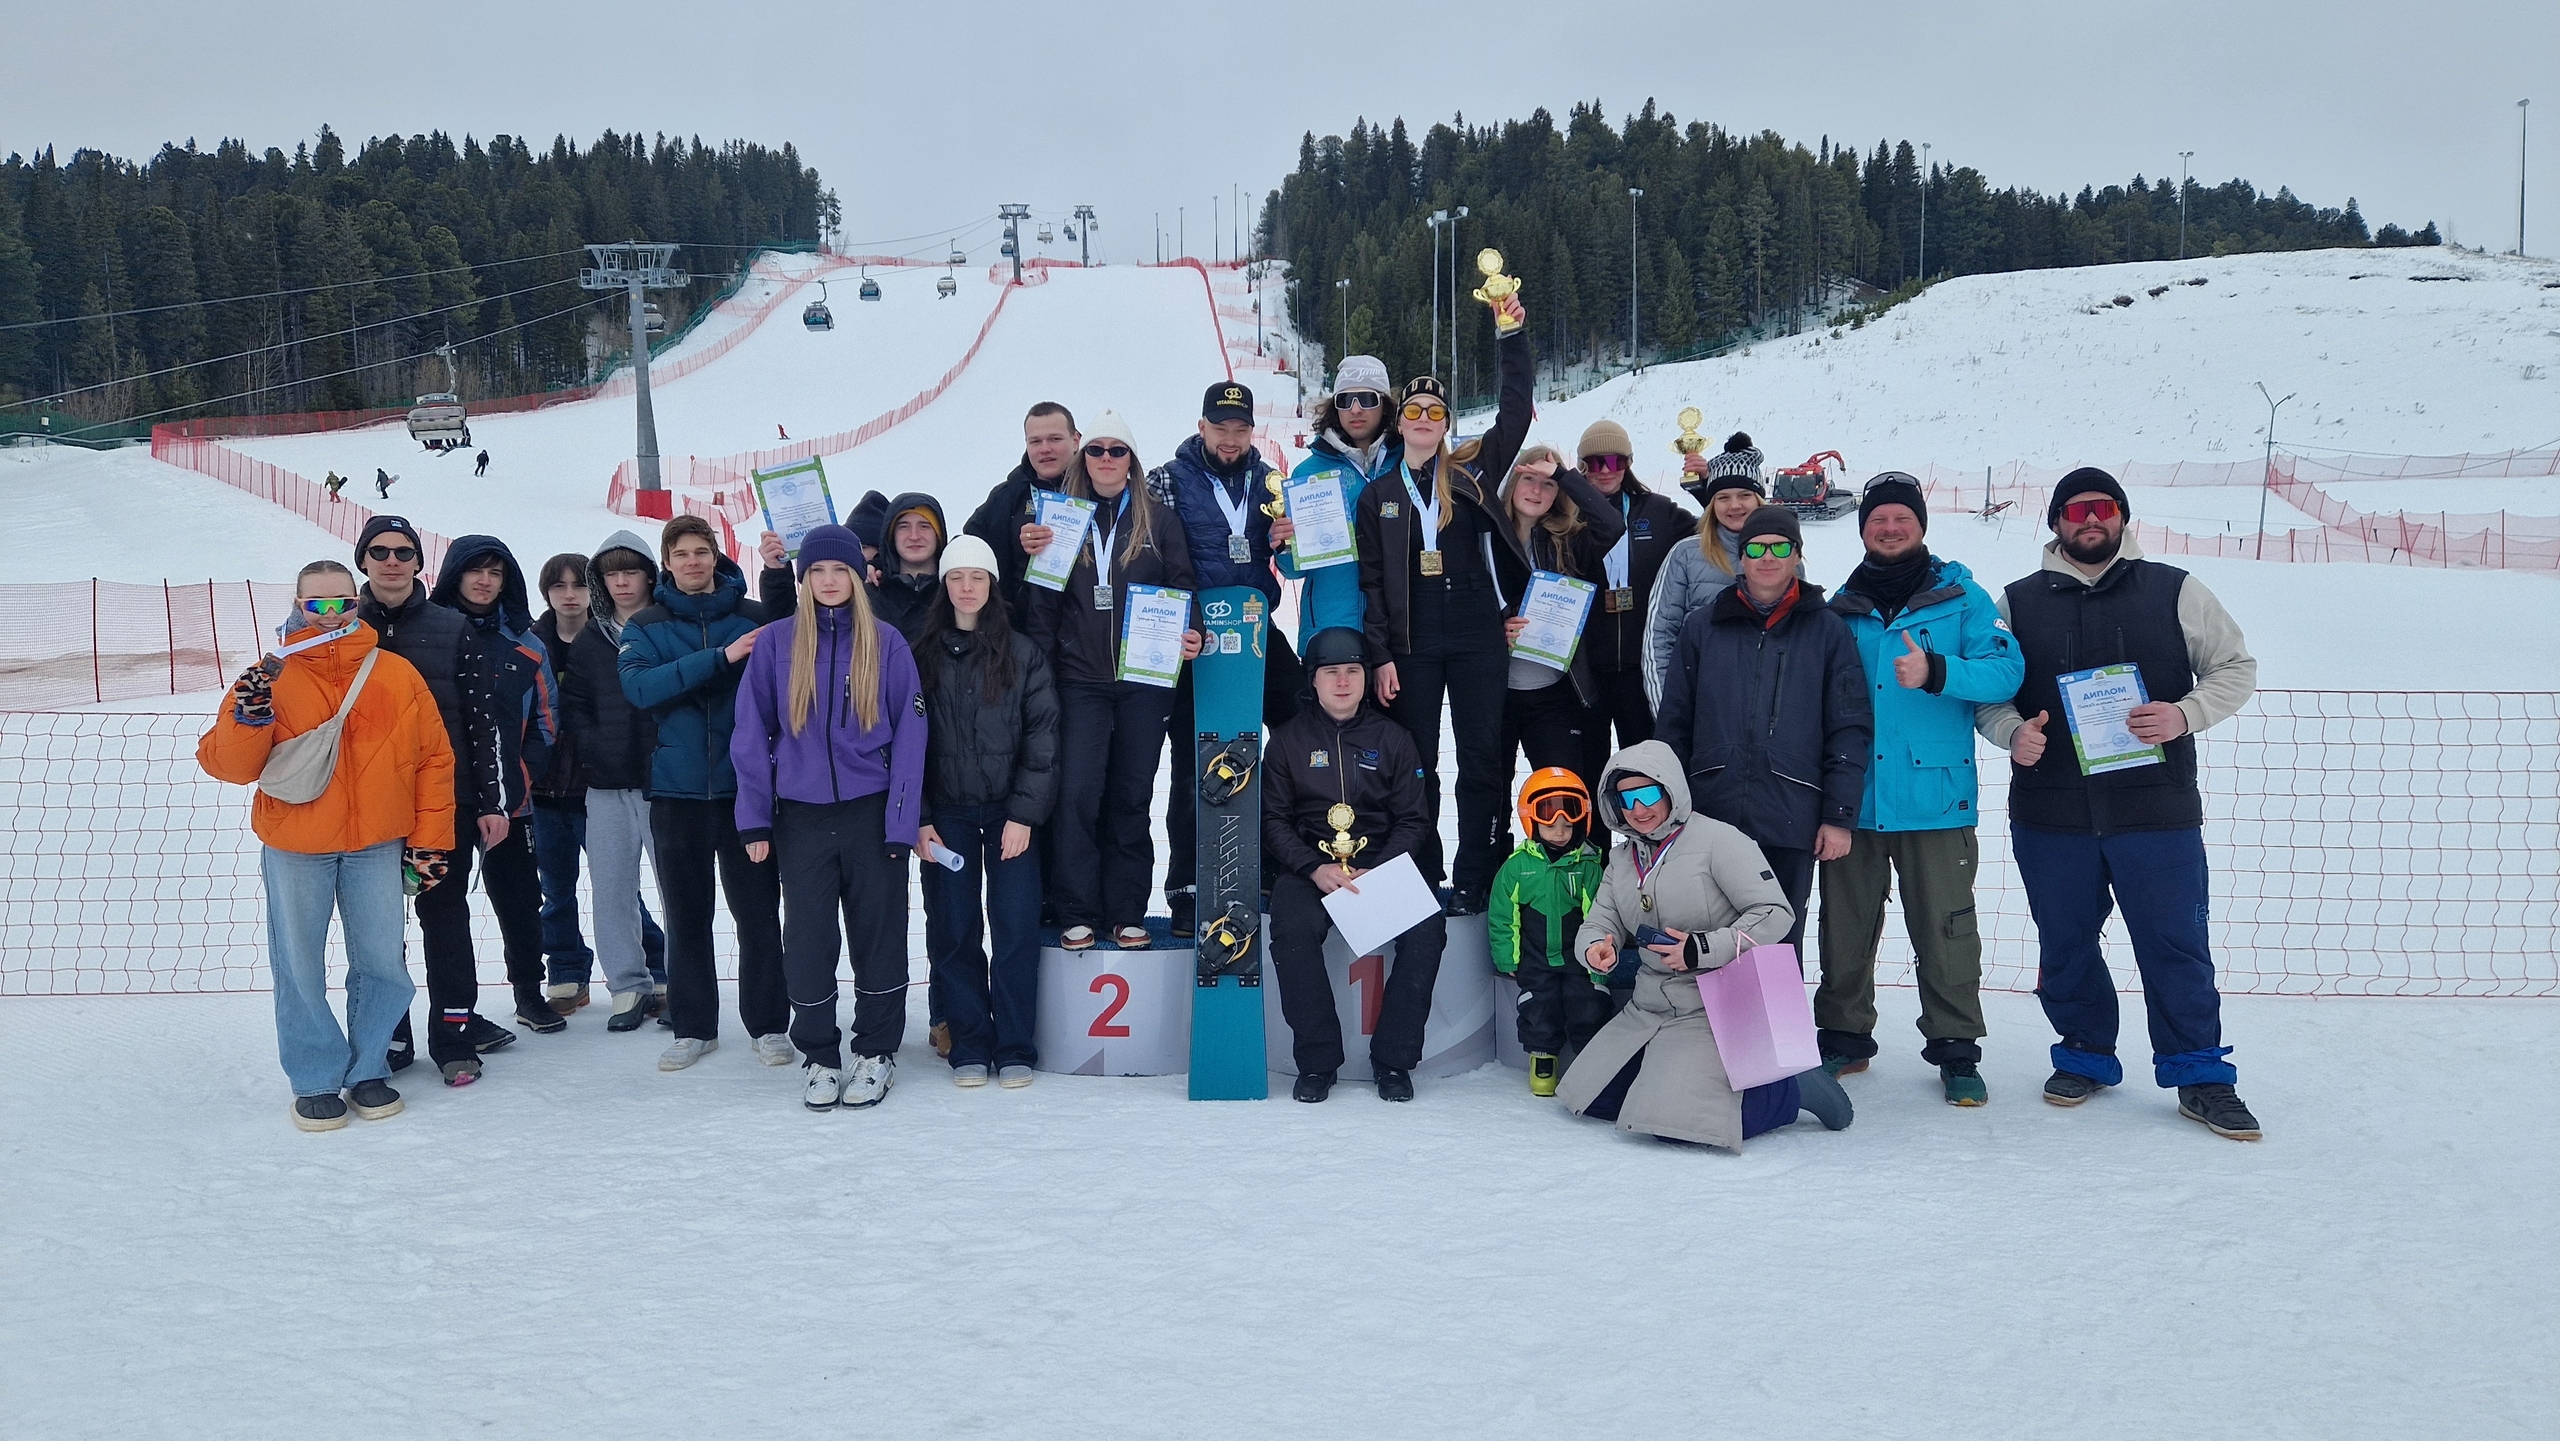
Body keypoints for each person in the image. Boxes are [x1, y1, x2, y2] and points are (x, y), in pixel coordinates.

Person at [1976, 468, 2264, 1139]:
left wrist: (2184, 714)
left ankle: (2199, 1075)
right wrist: (2011, 733)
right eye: (2075, 510)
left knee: (2175, 944)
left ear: (2121, 517)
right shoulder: (2015, 602)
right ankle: (2085, 1053)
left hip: (2154, 811)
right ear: (2055, 522)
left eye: (2103, 508)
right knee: (2067, 943)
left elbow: (2236, 668)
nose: (2090, 520)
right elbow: (1989, 695)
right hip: (2052, 814)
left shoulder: (2174, 589)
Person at [197, 560, 454, 1131]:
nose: (331, 613)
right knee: (299, 962)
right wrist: (250, 715)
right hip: (297, 844)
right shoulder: (269, 676)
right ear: (297, 605)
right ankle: (314, 1076)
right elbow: (227, 765)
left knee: (383, 961)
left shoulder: (395, 674)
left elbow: (435, 761)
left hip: (376, 845)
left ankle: (368, 1066)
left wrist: (430, 842)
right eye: (318, 604)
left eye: (342, 602)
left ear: (357, 604)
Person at [1818, 476, 2024, 1105]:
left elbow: (2006, 669)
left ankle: (1957, 1049)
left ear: (1921, 525)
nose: (1889, 527)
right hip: (1857, 801)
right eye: (1877, 519)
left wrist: (1938, 671)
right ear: (1862, 530)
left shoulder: (1962, 598)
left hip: (1936, 800)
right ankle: (1844, 1038)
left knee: (1947, 929)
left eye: (1901, 518)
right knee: (1844, 930)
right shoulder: (1840, 607)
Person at [1557, 742, 1854, 1148]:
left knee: (1678, 1125)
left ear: (1671, 791)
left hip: (1713, 1007)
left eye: (1649, 794)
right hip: (1649, 1005)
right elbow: (1600, 920)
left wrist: (1703, 948)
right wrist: (1596, 946)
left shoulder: (1719, 841)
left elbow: (1775, 912)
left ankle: (1788, 1087)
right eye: (1625, 799)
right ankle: (1663, 1081)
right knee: (1590, 1097)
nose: (1638, 809)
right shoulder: (1623, 859)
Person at [732, 523, 927, 1111]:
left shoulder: (887, 642)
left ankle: (876, 1050)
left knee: (879, 932)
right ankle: (819, 1054)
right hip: (802, 817)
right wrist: (755, 819)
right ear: (803, 579)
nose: (828, 580)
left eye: (839, 570)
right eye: (817, 571)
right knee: (809, 938)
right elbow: (751, 733)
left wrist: (900, 824)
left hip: (871, 816)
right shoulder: (776, 643)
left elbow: (912, 737)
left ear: (858, 576)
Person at [1355, 287, 1536, 914]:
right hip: (1411, 647)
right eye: (1415, 412)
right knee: (1417, 764)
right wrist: (1379, 654)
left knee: (1484, 761)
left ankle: (1475, 875)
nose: (1426, 421)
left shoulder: (1472, 475)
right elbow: (1371, 584)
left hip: (1478, 637)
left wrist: (1511, 337)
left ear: (1445, 423)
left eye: (1436, 411)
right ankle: (1420, 872)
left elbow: (1516, 413)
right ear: (1399, 422)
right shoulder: (1377, 494)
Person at [1655, 505, 1871, 957]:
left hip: (1790, 814)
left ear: (1797, 555)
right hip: (1711, 812)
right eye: (1756, 547)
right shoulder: (1702, 627)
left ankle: (1774, 1028)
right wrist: (1667, 806)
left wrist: (1838, 816)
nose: (1767, 556)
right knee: (1704, 936)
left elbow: (1848, 728)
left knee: (1774, 941)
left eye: (1779, 546)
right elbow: (1674, 723)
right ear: (1741, 557)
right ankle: (1704, 1029)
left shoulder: (1828, 631)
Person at [619, 515, 792, 1072]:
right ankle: (694, 1027)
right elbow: (642, 688)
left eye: (702, 551)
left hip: (747, 792)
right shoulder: (644, 625)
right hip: (677, 792)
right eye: (682, 553)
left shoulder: (753, 616)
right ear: (666, 563)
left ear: (717, 556)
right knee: (687, 914)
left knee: (758, 912)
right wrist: (720, 658)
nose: (693, 562)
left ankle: (768, 1025)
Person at [1023, 410, 1201, 951]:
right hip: (1080, 682)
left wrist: (1190, 631)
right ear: (1083, 458)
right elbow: (1041, 607)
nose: (1105, 459)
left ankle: (1126, 910)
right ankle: (1078, 908)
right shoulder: (1061, 520)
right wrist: (1045, 679)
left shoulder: (1159, 522)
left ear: (1132, 461)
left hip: (1144, 683)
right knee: (1078, 792)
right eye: (1096, 450)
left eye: (1116, 450)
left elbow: (1183, 586)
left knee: (1131, 793)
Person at [1261, 627, 1446, 1103]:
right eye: (1331, 673)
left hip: (1379, 866)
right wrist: (1311, 868)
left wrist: (1380, 870)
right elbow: (1273, 820)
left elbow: (1413, 818)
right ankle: (1318, 1062)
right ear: (1314, 680)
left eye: (1352, 672)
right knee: (1292, 928)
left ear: (1365, 678)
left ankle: (1393, 1060)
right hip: (1312, 869)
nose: (1342, 682)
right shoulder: (1286, 741)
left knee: (1428, 929)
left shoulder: (1394, 738)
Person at [354, 516, 507, 1086]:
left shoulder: (452, 628)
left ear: (420, 564)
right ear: (363, 561)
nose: (392, 562)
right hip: (366, 805)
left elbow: (480, 719)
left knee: (443, 918)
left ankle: (453, 1034)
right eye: (380, 551)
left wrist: (491, 800)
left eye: (405, 552)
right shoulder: (342, 626)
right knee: (377, 925)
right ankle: (389, 1032)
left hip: (445, 803)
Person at [1150, 380, 1303, 938]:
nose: (1231, 439)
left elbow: (1288, 564)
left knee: (1300, 729)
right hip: (1196, 640)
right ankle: (1189, 888)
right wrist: (1181, 622)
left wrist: (1289, 543)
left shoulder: (1269, 482)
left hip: (1256, 633)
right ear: (1202, 427)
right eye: (1221, 428)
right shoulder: (1166, 480)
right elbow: (1154, 559)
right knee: (1195, 762)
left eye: (1240, 429)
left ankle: (1271, 864)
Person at [914, 535, 1059, 1089]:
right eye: (957, 578)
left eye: (977, 577)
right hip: (946, 813)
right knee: (954, 929)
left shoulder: (1022, 654)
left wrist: (1023, 815)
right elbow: (906, 744)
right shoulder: (920, 654)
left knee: (1016, 927)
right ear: (944, 586)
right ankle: (970, 1042)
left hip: (1007, 814)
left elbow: (1043, 739)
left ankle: (1016, 1045)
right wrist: (920, 816)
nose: (967, 587)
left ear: (993, 585)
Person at [429, 536, 564, 1036]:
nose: (485, 581)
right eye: (475, 570)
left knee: (520, 900)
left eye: (496, 572)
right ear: (455, 575)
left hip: (511, 804)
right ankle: (451, 1013)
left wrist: (523, 777)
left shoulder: (526, 644)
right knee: (444, 908)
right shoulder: (429, 633)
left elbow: (547, 723)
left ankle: (529, 993)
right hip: (440, 801)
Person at [532, 550, 668, 1019]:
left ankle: (675, 977)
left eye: (631, 572)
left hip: (660, 783)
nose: (622, 583)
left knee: (673, 887)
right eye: (612, 575)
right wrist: (597, 754)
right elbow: (573, 707)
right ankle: (625, 986)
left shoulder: (666, 625)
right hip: (597, 785)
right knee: (600, 888)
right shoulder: (585, 640)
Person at [1568, 419, 1693, 782]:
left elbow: (1715, 534)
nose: (1605, 471)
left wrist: (1703, 488)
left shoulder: (1658, 511)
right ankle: (1590, 841)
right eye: (1594, 463)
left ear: (1629, 463)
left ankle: (1644, 840)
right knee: (1588, 771)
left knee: (1643, 773)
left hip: (1639, 673)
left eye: (1615, 461)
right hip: (1586, 671)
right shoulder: (1567, 516)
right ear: (1580, 468)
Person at [1489, 443, 1623, 778]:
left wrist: (1565, 475)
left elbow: (1612, 526)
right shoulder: (1486, 537)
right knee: (1492, 798)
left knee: (1563, 794)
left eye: (1547, 483)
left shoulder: (1568, 541)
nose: (1536, 489)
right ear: (1512, 484)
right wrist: (1496, 631)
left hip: (1553, 695)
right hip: (1494, 693)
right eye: (1528, 478)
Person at [1487, 767, 1607, 1097]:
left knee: (1588, 1004)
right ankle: (1543, 1057)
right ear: (1531, 821)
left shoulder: (1588, 866)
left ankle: (1590, 1060)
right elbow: (1502, 915)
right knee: (1538, 1006)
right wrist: (1507, 956)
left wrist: (1597, 958)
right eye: (1550, 824)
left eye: (1568, 825)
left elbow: (1599, 913)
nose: (1559, 832)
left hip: (1577, 958)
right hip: (1535, 958)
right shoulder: (1516, 867)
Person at [1278, 356, 1400, 649]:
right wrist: (1285, 544)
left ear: (1385, 405)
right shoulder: (1308, 472)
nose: (1355, 409)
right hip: (1330, 627)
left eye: (1367, 398)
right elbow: (1293, 569)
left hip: (1401, 631)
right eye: (1345, 400)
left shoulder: (1408, 462)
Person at [1644, 432, 1764, 711]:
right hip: (1700, 708)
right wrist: (1668, 715)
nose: (1734, 505)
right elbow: (1658, 638)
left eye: (1745, 495)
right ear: (1711, 504)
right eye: (1723, 497)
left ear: (1759, 499)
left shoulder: (1784, 556)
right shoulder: (1686, 554)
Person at [963, 402, 1081, 615]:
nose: (1045, 449)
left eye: (1055, 439)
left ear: (1075, 441)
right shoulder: (1008, 495)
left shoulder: (1099, 490)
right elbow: (968, 547)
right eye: (1035, 441)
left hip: (1088, 630)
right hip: (1026, 629)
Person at [869, 493, 949, 642]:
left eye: (924, 526)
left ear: (939, 535)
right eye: (904, 527)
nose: (914, 536)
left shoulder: (954, 594)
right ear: (891, 536)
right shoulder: (870, 594)